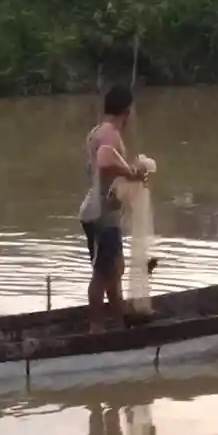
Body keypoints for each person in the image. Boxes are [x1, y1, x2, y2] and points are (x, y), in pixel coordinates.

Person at [78, 86, 148, 334]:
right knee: (103, 273)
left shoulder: (98, 131)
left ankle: (118, 322)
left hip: (102, 210)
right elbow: (105, 159)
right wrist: (131, 172)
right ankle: (96, 328)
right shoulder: (110, 133)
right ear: (127, 110)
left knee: (114, 269)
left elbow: (105, 169)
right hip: (101, 213)